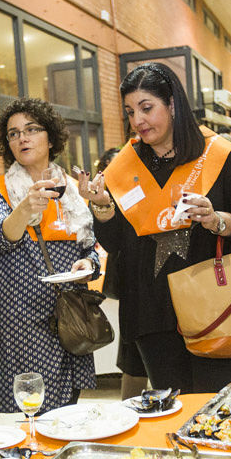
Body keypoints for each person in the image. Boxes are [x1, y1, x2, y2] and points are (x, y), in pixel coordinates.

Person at [78, 62, 231, 394]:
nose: (138, 120)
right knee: (172, 411)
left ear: (173, 104)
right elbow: (116, 242)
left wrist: (216, 220)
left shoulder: (218, 155)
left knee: (216, 410)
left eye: (146, 108)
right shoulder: (125, 166)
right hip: (152, 314)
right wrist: (103, 207)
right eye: (130, 112)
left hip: (218, 308)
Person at [0, 97, 98, 414]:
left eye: (31, 129)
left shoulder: (71, 188)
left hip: (71, 313)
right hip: (25, 317)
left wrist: (88, 264)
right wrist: (26, 208)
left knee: (69, 406)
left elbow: (91, 248)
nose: (22, 138)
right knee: (39, 408)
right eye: (13, 133)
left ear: (50, 137)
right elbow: (2, 239)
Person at [95, 146, 149, 399]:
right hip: (133, 284)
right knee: (133, 359)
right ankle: (131, 414)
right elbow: (111, 238)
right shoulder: (114, 187)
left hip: (153, 284)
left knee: (138, 360)